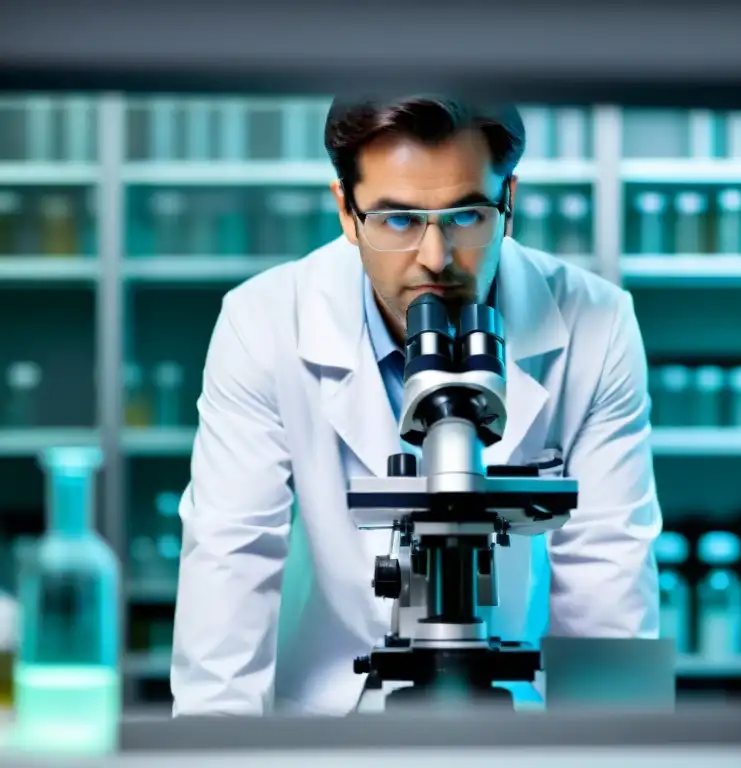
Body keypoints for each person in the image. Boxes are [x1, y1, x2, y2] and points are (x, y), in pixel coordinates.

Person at [170, 94, 662, 716]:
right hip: (327, 716)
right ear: (347, 212)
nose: (435, 258)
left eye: (465, 216)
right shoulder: (264, 322)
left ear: (508, 200)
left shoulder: (597, 323)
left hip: (520, 718)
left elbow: (609, 587)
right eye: (398, 219)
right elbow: (231, 561)